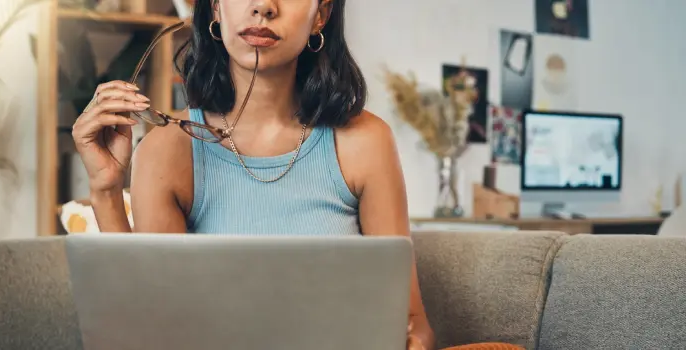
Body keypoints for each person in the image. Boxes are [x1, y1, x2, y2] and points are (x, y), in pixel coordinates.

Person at [72, 1, 522, 350]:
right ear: (215, 8)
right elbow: (152, 329)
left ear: (321, 13)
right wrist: (107, 191)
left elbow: (414, 328)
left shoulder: (365, 142)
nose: (263, 5)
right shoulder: (169, 151)